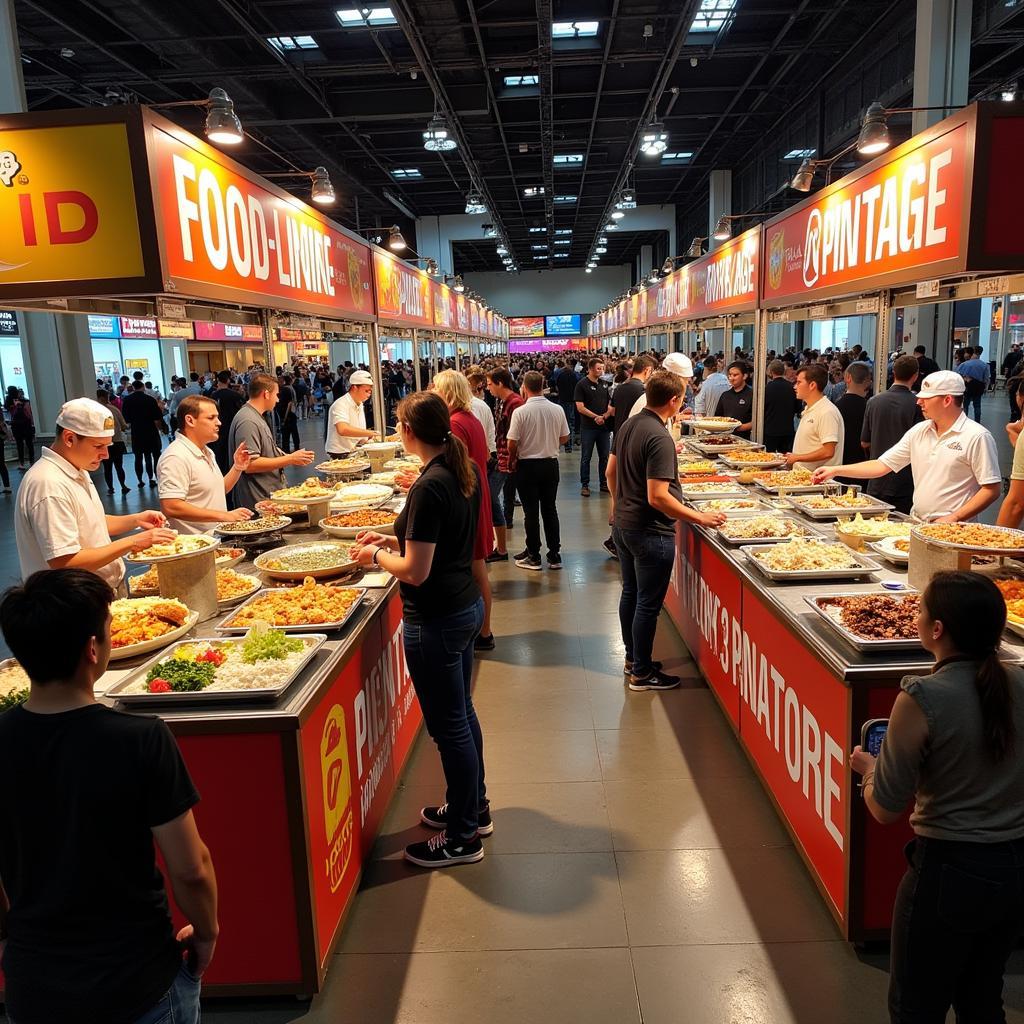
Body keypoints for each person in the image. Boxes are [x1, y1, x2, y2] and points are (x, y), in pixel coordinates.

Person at [0, 569, 219, 1024]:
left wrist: (9, 940)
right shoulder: (140, 740)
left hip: (34, 986)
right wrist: (207, 931)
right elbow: (190, 866)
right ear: (93, 648)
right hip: (136, 981)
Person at [850, 572, 1024, 1023]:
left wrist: (870, 772)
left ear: (938, 629)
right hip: (1013, 870)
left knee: (915, 1006)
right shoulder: (1018, 683)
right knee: (983, 997)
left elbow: (885, 808)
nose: (918, 615)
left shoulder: (923, 695)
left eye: (922, 609)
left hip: (948, 871)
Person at [351, 392, 488, 868]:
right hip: (463, 606)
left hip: (437, 619)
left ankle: (463, 837)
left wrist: (374, 556)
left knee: (450, 727)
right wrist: (389, 537)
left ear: (410, 431)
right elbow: (435, 539)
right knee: (462, 716)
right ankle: (473, 807)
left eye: (397, 424)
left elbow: (414, 570)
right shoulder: (456, 470)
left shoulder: (431, 484)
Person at [606, 371, 727, 692]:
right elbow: (658, 496)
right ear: (673, 401)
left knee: (631, 594)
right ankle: (642, 674)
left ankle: (634, 659)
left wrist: (618, 504)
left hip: (625, 525)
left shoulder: (630, 424)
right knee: (647, 603)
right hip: (650, 532)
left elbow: (610, 471)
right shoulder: (659, 438)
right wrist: (699, 518)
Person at [14, 398, 174, 593]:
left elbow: (89, 522)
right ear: (69, 438)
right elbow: (64, 561)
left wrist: (136, 520)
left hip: (98, 594)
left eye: (107, 445)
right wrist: (133, 542)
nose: (106, 454)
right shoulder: (49, 483)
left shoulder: (77, 469)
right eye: (98, 446)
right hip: (70, 604)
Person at [815, 371, 1000, 522]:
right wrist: (834, 470)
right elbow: (881, 465)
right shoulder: (919, 431)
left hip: (955, 530)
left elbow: (991, 489)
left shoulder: (976, 436)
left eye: (926, 398)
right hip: (918, 522)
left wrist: (955, 517)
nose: (919, 402)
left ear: (947, 400)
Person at [433, 371, 495, 652]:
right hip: (476, 497)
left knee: (476, 568)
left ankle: (483, 632)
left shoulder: (455, 423)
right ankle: (484, 630)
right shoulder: (469, 418)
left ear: (447, 393)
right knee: (477, 566)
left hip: (468, 501)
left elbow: (455, 469)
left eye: (436, 388)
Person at [157, 395, 254, 533]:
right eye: (211, 418)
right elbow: (171, 506)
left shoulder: (206, 451)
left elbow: (217, 490)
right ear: (190, 420)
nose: (219, 422)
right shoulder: (176, 456)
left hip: (214, 538)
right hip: (193, 545)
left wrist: (237, 467)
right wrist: (224, 516)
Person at [508, 371, 570, 571]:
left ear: (524, 387)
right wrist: (549, 443)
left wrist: (514, 455)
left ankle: (534, 555)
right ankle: (554, 555)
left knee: (531, 513)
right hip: (550, 465)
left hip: (527, 466)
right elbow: (565, 438)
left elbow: (512, 442)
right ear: (543, 386)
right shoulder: (557, 409)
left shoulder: (521, 412)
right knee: (550, 509)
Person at [228, 374, 314, 508]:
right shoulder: (248, 421)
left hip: (266, 495)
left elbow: (266, 449)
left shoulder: (255, 416)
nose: (278, 400)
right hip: (258, 500)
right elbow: (250, 464)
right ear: (266, 394)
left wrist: (291, 457)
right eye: (276, 395)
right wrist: (290, 459)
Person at [860, 355, 921, 514]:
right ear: (915, 376)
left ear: (893, 372)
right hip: (905, 482)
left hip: (876, 480)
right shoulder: (917, 405)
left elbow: (864, 442)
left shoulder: (873, 402)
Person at [484, 366, 523, 563]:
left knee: (491, 496)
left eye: (490, 384)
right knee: (495, 497)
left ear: (500, 383)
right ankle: (500, 545)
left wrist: (509, 460)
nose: (488, 388)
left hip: (507, 460)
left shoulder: (514, 403)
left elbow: (514, 437)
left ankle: (501, 548)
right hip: (502, 459)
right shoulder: (504, 402)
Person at [785, 363, 844, 472]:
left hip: (819, 481)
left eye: (799, 382)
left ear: (812, 385)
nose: (794, 386)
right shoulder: (810, 408)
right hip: (803, 477)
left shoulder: (827, 411)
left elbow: (828, 451)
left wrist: (797, 457)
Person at [575, 357, 611, 496]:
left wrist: (605, 416)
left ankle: (604, 483)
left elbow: (609, 403)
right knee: (586, 457)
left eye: (602, 368)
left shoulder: (604, 384)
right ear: (590, 369)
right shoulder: (581, 385)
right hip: (588, 427)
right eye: (598, 368)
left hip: (603, 427)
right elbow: (580, 407)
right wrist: (595, 417)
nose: (601, 371)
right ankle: (585, 485)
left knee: (604, 457)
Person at [121, 380, 165, 488]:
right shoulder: (150, 400)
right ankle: (153, 478)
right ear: (143, 387)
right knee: (152, 455)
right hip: (150, 430)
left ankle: (140, 480)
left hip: (137, 431)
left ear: (134, 387)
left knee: (138, 457)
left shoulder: (127, 400)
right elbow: (157, 416)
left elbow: (126, 418)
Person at [325, 369, 377, 456]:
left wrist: (367, 438)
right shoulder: (341, 404)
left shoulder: (359, 403)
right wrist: (370, 433)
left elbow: (357, 430)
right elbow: (343, 429)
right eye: (366, 391)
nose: (369, 394)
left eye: (370, 391)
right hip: (340, 454)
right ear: (354, 387)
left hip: (354, 451)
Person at [835, 361, 871, 468]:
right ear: (868, 381)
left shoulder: (835, 407)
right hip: (864, 465)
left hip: (840, 464)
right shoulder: (870, 407)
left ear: (847, 378)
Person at [96, 388, 131, 495]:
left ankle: (111, 488)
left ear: (99, 397)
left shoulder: (96, 411)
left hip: (104, 443)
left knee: (107, 467)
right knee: (119, 466)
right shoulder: (114, 409)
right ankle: (123, 486)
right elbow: (124, 426)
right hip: (118, 441)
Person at [210, 369, 245, 476]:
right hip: (232, 429)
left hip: (216, 430)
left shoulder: (212, 396)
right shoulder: (235, 395)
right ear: (228, 380)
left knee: (218, 456)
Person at [763, 358, 798, 453]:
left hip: (770, 430)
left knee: (769, 458)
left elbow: (762, 410)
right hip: (787, 429)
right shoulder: (792, 388)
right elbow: (797, 408)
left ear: (771, 371)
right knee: (785, 458)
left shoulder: (766, 389)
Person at [714, 361, 753, 439]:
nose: (731, 378)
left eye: (735, 375)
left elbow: (758, 421)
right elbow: (718, 417)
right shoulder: (725, 395)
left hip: (745, 439)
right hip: (725, 438)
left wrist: (740, 427)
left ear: (744, 376)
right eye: (730, 375)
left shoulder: (752, 394)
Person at [958, 345, 990, 422]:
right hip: (979, 387)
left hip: (967, 387)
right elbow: (986, 378)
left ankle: (964, 420)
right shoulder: (984, 365)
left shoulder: (965, 364)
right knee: (977, 405)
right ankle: (977, 421)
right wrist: (986, 387)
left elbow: (959, 375)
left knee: (965, 404)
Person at [7, 389, 35, 469]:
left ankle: (26, 462)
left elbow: (28, 413)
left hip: (21, 425)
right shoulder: (19, 402)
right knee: (25, 444)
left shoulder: (23, 402)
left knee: (24, 444)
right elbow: (29, 414)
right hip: (22, 425)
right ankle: (27, 462)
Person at [276, 373, 301, 453]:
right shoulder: (291, 388)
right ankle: (296, 446)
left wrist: (284, 417)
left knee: (286, 434)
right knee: (294, 432)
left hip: (287, 415)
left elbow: (288, 404)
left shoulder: (285, 390)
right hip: (293, 413)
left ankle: (286, 449)